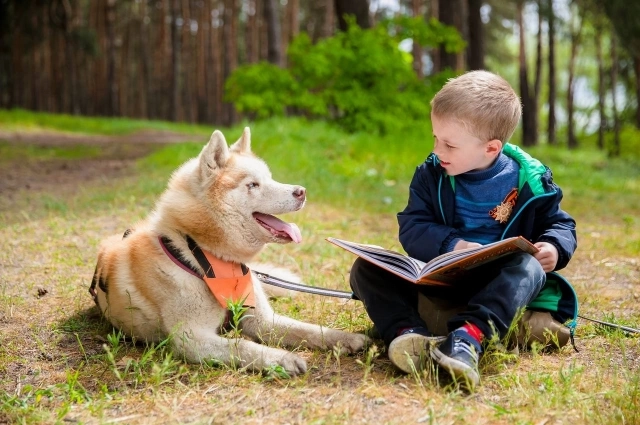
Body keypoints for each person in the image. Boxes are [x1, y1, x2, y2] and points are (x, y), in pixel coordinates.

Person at [349, 70, 577, 388]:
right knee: (365, 269)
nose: (438, 151)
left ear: (491, 148)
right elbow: (413, 226)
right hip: (441, 285)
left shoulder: (531, 183)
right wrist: (453, 245)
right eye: (435, 138)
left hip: (499, 290)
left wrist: (553, 246)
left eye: (449, 145)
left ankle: (468, 338)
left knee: (527, 267)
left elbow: (560, 224)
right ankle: (409, 335)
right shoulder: (431, 175)